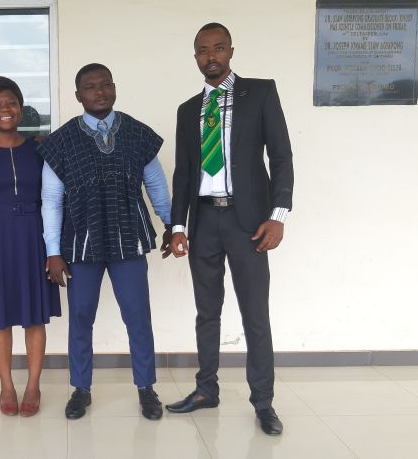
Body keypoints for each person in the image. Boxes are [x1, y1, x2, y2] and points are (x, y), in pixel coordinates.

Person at [161, 23, 294, 436]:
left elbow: (282, 155)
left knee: (255, 314)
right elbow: (183, 172)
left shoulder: (261, 93)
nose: (211, 56)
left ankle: (263, 402)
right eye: (203, 50)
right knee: (207, 313)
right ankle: (206, 389)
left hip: (250, 223)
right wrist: (178, 226)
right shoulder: (187, 110)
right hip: (204, 222)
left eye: (218, 48)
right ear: (195, 56)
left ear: (231, 50)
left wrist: (279, 214)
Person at [39, 63, 172, 421]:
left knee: (138, 316)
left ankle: (146, 387)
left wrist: (172, 224)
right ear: (78, 95)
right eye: (90, 86)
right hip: (81, 245)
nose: (99, 91)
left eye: (105, 85)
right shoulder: (62, 141)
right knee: (81, 318)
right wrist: (53, 252)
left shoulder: (135, 133)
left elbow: (156, 185)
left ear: (114, 88)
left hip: (128, 240)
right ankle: (81, 389)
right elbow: (51, 200)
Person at [0, 76, 61, 417]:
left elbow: (54, 198)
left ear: (21, 108)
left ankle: (33, 385)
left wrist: (55, 249)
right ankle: (7, 386)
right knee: (1, 318)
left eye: (11, 103)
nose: (5, 109)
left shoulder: (39, 148)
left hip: (35, 234)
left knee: (36, 317)